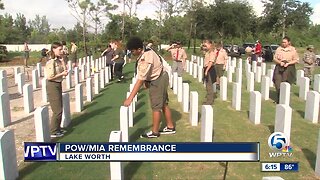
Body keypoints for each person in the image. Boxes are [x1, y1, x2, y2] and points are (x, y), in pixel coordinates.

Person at [124, 37, 175, 138]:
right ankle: (170, 126)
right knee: (163, 103)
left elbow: (140, 80)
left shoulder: (145, 58)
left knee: (156, 106)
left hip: (158, 79)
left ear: (139, 49)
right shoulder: (146, 49)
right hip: (160, 75)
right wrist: (147, 81)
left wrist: (130, 98)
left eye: (132, 51)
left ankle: (155, 132)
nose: (131, 53)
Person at [45, 42, 68, 138]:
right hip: (52, 85)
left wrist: (62, 61)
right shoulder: (51, 62)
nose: (62, 51)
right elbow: (50, 77)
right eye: (59, 49)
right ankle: (53, 131)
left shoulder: (58, 61)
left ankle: (57, 128)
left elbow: (65, 70)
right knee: (57, 109)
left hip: (58, 84)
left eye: (62, 49)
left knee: (60, 107)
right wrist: (62, 74)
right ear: (54, 50)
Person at [272, 36, 298, 104]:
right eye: (282, 42)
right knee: (277, 82)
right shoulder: (279, 49)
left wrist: (288, 63)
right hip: (279, 66)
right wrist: (280, 62)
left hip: (288, 68)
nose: (283, 43)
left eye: (285, 42)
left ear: (289, 42)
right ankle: (278, 98)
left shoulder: (293, 50)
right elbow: (274, 58)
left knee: (285, 83)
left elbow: (296, 60)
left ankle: (283, 100)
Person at [202, 39, 216, 105]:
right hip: (206, 68)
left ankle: (210, 101)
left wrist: (206, 71)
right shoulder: (207, 52)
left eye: (206, 44)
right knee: (207, 86)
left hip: (210, 69)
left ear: (210, 45)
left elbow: (211, 62)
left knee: (209, 86)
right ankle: (208, 99)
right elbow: (202, 49)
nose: (204, 46)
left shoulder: (212, 52)